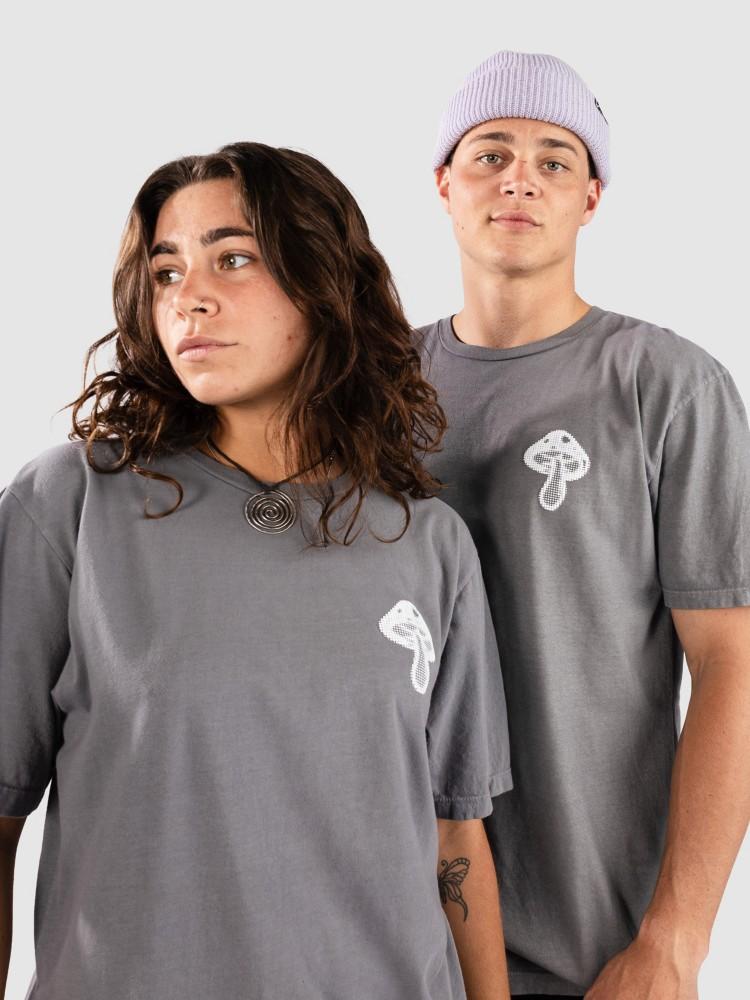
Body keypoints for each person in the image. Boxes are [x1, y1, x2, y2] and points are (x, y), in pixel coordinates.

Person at [0, 142, 515, 999]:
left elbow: (454, 837)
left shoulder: (429, 543)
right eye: (166, 272)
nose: (189, 296)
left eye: (232, 258)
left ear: (324, 285)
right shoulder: (70, 505)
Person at [414, 50, 750, 999]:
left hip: (596, 953)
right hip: (393, 941)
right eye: (490, 153)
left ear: (591, 197)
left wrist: (675, 941)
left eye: (555, 160)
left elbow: (733, 663)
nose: (519, 178)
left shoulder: (668, 385)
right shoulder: (373, 390)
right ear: (444, 184)